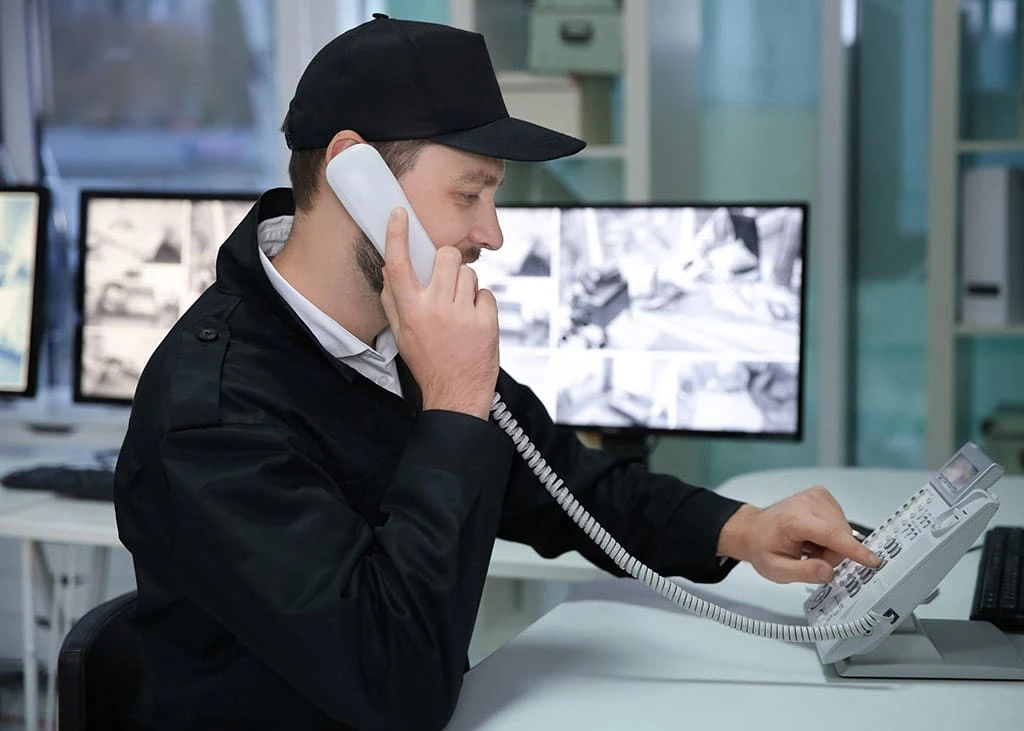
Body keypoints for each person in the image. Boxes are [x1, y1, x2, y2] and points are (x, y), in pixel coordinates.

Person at [113, 14, 879, 731]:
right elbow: (395, 682)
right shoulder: (214, 413)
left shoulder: (401, 333)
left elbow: (569, 483)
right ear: (354, 174)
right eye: (469, 193)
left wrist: (745, 528)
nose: (494, 233)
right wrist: (452, 404)